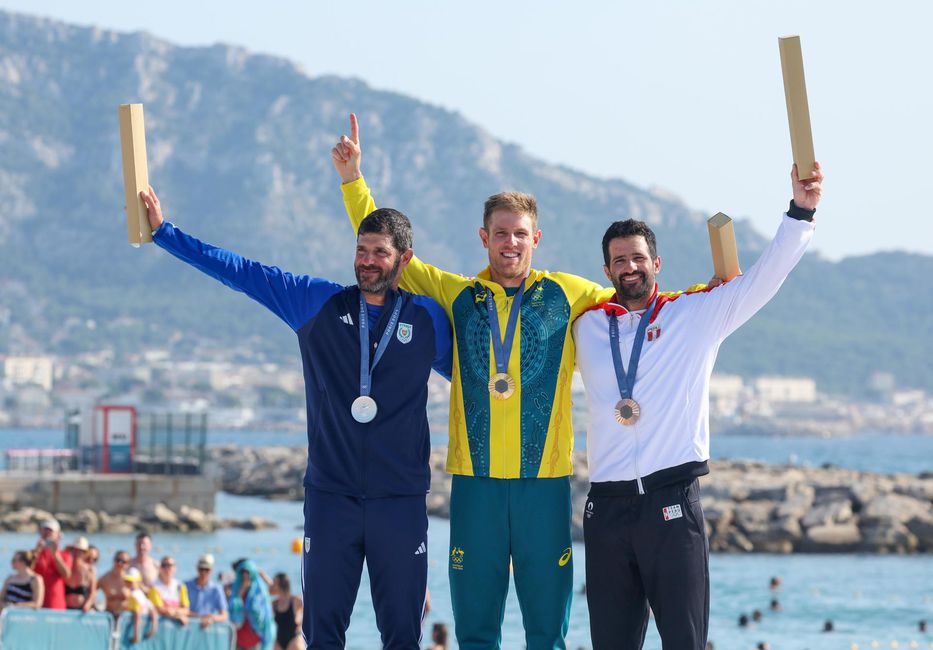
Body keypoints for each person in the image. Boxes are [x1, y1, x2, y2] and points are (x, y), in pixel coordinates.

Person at [334, 114, 706, 650]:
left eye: (521, 234)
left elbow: (647, 298)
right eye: (501, 233)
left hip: (545, 486)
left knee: (545, 633)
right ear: (485, 237)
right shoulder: (456, 293)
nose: (511, 242)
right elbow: (382, 247)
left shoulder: (569, 293)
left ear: (537, 238)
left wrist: (710, 289)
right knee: (476, 630)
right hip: (475, 485)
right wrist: (353, 181)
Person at [139, 169, 453, 650]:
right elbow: (243, 272)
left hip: (401, 501)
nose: (367, 262)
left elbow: (484, 383)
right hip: (331, 498)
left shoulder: (427, 319)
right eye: (361, 250)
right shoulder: (316, 303)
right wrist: (165, 234)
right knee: (322, 633)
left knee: (402, 636)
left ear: (403, 259)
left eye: (380, 253)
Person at [574, 163, 823, 649]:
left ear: (657, 263)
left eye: (638, 258)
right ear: (606, 271)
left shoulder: (695, 315)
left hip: (670, 502)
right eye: (619, 260)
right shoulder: (586, 328)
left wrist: (801, 211)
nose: (630, 267)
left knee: (685, 642)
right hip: (604, 508)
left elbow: (765, 277)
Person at [229, 560, 275, 650]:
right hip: (239, 638)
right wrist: (241, 592)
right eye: (242, 573)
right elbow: (233, 610)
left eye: (248, 573)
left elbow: (274, 589)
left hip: (255, 638)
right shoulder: (235, 589)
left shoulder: (260, 591)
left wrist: (263, 576)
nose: (245, 576)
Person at [32, 518, 72, 609]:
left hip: (55, 603)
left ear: (58, 535)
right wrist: (37, 551)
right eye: (45, 530)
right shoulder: (33, 554)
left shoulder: (65, 555)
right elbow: (25, 570)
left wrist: (55, 555)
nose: (47, 534)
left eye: (50, 531)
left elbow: (66, 575)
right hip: (35, 603)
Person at [185, 554, 229, 628]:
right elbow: (181, 610)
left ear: (211, 570)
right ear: (197, 569)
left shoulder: (217, 589)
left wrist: (212, 618)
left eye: (207, 570)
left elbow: (224, 615)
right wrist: (201, 617)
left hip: (207, 631)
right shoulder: (186, 586)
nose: (203, 572)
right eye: (201, 569)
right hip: (188, 628)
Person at [148, 555, 189, 626]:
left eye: (170, 565)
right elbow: (159, 609)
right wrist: (178, 616)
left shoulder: (180, 586)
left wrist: (175, 613)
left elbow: (186, 609)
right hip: (160, 626)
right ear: (160, 568)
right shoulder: (154, 587)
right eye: (164, 565)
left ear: (175, 568)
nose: (167, 568)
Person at [269, 573, 304, 650]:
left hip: (294, 640)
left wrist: (300, 622)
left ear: (280, 585)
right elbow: (268, 593)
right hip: (279, 641)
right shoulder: (274, 604)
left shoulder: (295, 600)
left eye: (273, 583)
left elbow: (310, 614)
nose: (271, 585)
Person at [123, 567, 158, 643]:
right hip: (144, 633)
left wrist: (136, 634)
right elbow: (153, 611)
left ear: (138, 582)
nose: (128, 584)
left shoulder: (134, 596)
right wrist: (153, 629)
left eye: (131, 581)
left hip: (133, 635)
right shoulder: (142, 595)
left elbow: (137, 614)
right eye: (127, 581)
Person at [64, 536, 97, 612]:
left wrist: (87, 605)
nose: (77, 553)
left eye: (80, 551)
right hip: (65, 609)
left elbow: (93, 592)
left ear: (85, 553)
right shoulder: (65, 568)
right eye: (75, 550)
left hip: (82, 610)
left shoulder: (90, 570)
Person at [97, 550, 131, 615]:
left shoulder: (131, 579)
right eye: (118, 560)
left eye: (124, 562)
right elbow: (91, 591)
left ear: (128, 564)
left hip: (126, 616)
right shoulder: (105, 578)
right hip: (109, 614)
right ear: (114, 560)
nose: (120, 563)